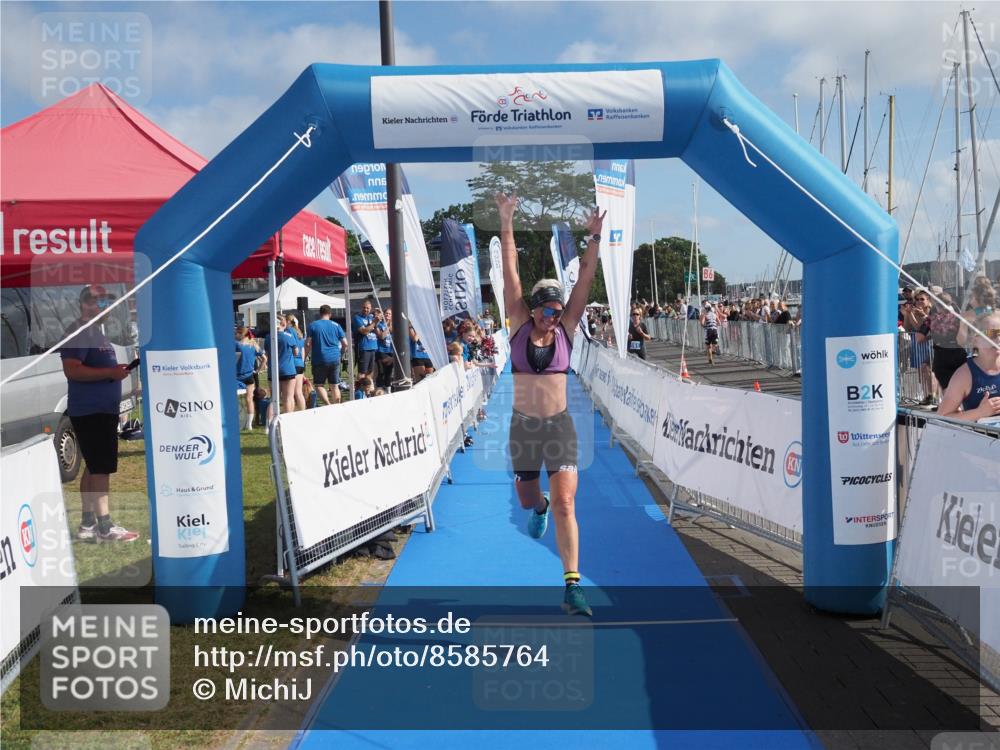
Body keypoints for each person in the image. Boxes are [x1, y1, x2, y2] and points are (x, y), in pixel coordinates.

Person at [497, 190, 605, 617]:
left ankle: (572, 586)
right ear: (533, 308)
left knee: (566, 503)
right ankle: (535, 505)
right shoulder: (519, 323)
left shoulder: (568, 327)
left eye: (558, 312)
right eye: (546, 311)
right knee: (531, 500)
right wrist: (506, 220)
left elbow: (585, 281)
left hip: (560, 426)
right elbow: (510, 271)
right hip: (523, 428)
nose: (552, 317)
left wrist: (593, 239)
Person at [59, 285, 138, 543]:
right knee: (101, 468)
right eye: (103, 304)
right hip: (92, 411)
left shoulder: (95, 333)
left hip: (99, 410)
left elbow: (93, 367)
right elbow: (72, 370)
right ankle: (105, 527)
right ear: (88, 304)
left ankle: (87, 525)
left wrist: (115, 370)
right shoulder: (80, 331)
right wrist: (109, 373)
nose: (108, 309)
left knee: (93, 467)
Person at [937, 312, 1000, 422]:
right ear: (975, 339)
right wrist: (980, 413)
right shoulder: (964, 375)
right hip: (983, 437)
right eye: (992, 334)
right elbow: (942, 417)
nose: (998, 339)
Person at [306, 304, 348, 405]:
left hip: (320, 358)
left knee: (319, 385)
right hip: (335, 358)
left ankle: (328, 404)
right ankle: (336, 406)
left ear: (320, 313)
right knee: (334, 385)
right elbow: (345, 344)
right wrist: (340, 354)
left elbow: (308, 343)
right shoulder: (336, 325)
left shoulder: (313, 325)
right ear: (330, 314)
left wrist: (304, 358)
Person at [265, 315, 298, 417]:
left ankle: (268, 424)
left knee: (274, 399)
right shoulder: (289, 336)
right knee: (288, 398)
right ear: (283, 324)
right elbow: (296, 352)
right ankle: (287, 421)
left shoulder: (268, 337)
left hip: (273, 370)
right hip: (288, 370)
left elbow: (267, 353)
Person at [235, 326, 258, 430]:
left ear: (241, 334)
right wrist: (257, 370)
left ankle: (237, 421)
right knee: (249, 399)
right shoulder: (253, 345)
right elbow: (264, 359)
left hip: (237, 377)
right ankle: (249, 424)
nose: (235, 335)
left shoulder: (236, 345)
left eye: (236, 333)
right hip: (249, 376)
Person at [353, 299, 379, 378]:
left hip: (373, 347)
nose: (366, 309)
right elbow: (364, 331)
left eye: (368, 308)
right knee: (362, 372)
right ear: (361, 308)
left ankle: (367, 389)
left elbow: (377, 330)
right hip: (364, 348)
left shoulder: (372, 317)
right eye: (364, 308)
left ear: (370, 309)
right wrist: (374, 322)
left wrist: (378, 317)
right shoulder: (357, 318)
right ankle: (360, 388)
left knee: (370, 371)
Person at [286, 314, 307, 411]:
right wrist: (302, 363)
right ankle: (303, 412)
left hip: (292, 363)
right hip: (300, 363)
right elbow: (302, 350)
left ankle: (291, 414)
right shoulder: (299, 333)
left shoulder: (289, 331)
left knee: (290, 393)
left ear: (288, 321)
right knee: (299, 392)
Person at [375, 307, 395, 390]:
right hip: (381, 351)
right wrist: (388, 327)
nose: (388, 315)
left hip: (390, 351)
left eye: (390, 314)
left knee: (389, 372)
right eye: (386, 313)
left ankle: (388, 390)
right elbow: (382, 336)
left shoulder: (393, 326)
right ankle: (379, 389)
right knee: (381, 372)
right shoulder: (379, 324)